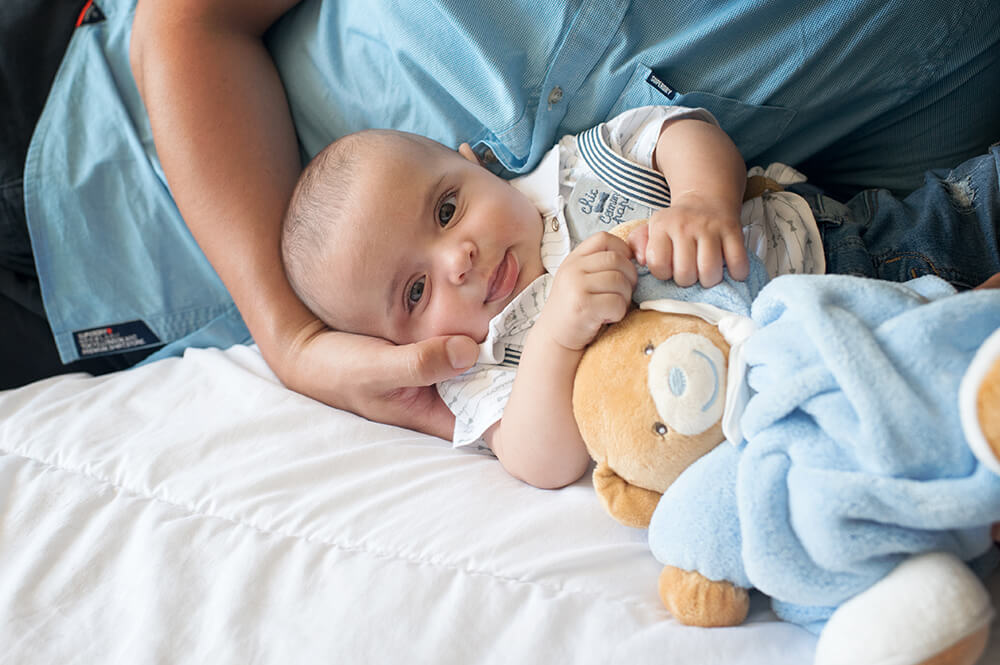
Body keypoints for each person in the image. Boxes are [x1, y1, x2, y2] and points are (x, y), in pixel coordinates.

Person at [3, 1, 999, 445]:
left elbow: (866, 240)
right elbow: (190, 21)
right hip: (60, 111)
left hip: (95, 329)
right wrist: (294, 338)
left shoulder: (949, 55)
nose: (464, 253)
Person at [279, 104, 1000, 487]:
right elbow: (539, 461)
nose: (458, 259)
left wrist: (701, 201)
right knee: (941, 402)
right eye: (414, 289)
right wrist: (558, 336)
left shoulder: (572, 170)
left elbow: (679, 130)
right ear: (397, 345)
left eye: (445, 210)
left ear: (472, 163)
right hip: (809, 392)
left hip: (858, 251)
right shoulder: (484, 366)